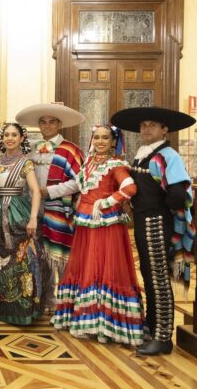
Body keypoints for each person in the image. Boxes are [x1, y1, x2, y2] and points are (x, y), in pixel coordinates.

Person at [111, 106, 197, 356]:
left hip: (157, 223)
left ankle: (163, 338)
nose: (146, 129)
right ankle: (151, 327)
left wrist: (162, 213)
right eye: (143, 125)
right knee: (149, 275)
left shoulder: (168, 155)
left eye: (152, 125)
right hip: (142, 221)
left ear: (164, 129)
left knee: (159, 279)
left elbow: (179, 194)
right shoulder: (143, 154)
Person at [48, 125, 143, 346]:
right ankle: (87, 320)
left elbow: (130, 188)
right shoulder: (89, 163)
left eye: (105, 138)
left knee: (104, 267)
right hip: (86, 223)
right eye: (96, 137)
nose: (100, 141)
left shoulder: (114, 164)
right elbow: (81, 187)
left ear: (113, 142)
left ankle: (105, 324)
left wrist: (108, 201)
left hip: (105, 224)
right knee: (87, 267)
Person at [16, 103, 85, 313]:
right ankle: (46, 298)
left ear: (59, 124)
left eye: (52, 122)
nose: (47, 126)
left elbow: (80, 181)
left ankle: (65, 301)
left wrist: (52, 191)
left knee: (61, 256)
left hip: (60, 212)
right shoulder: (32, 151)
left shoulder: (71, 150)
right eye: (43, 122)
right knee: (41, 256)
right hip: (35, 211)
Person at [0, 122, 46, 325]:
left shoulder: (25, 162)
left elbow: (36, 191)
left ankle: (22, 309)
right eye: (7, 135)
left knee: (22, 263)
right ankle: (0, 306)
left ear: (22, 138)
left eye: (14, 135)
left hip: (17, 211)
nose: (10, 138)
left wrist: (32, 218)